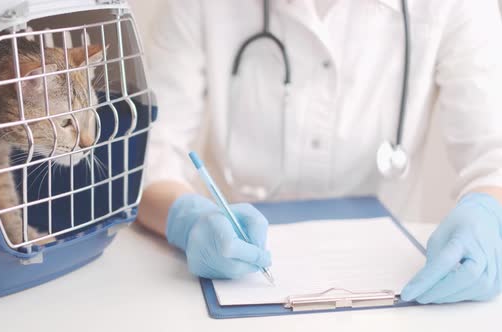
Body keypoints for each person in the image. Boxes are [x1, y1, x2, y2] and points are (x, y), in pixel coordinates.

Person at [136, 0, 502, 304]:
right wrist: (188, 219)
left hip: (388, 288)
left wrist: (487, 214)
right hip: (231, 279)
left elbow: (494, 155)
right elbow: (146, 159)